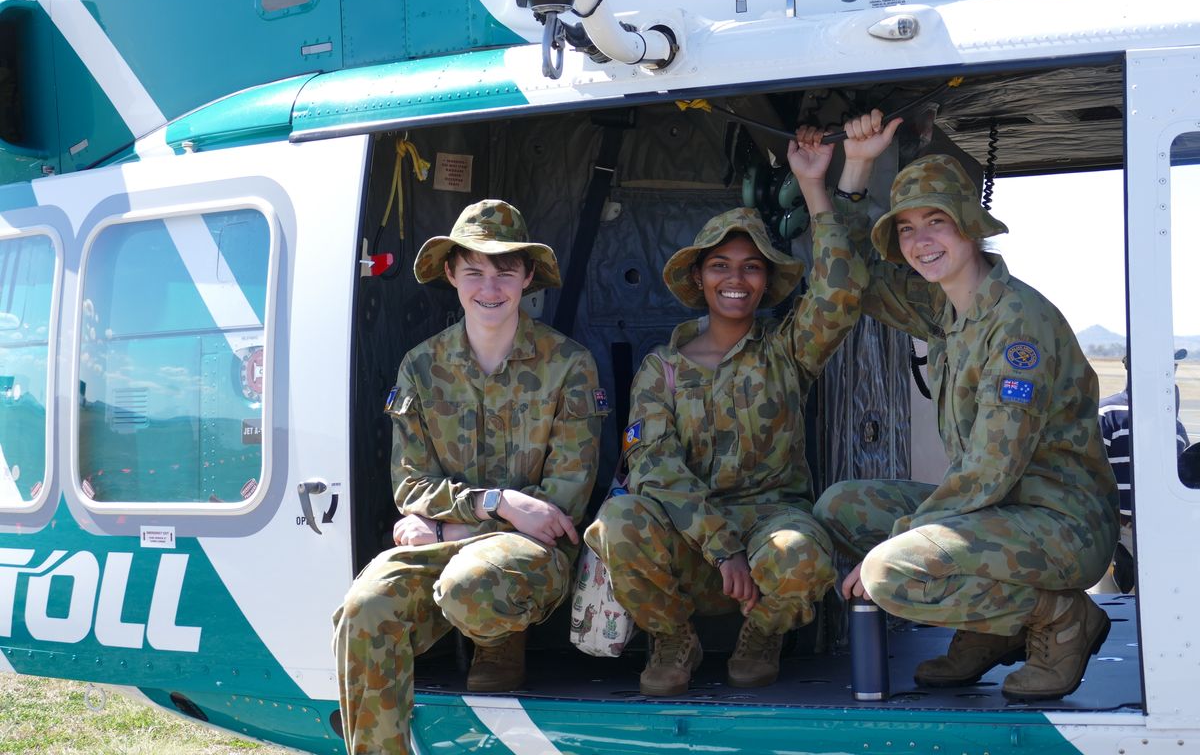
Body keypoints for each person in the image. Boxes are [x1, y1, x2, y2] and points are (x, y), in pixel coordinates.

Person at [812, 111, 1120, 701]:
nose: (920, 241)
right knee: (842, 508)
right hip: (996, 515)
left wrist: (901, 544)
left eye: (937, 222)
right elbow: (848, 276)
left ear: (970, 227)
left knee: (889, 571)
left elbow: (989, 469)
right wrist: (854, 170)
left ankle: (1061, 617)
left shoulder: (1017, 324)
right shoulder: (945, 309)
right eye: (906, 228)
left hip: (1061, 526)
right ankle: (991, 626)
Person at [583, 132, 868, 696]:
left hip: (770, 538)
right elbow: (654, 468)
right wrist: (722, 546)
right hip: (691, 545)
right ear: (698, 278)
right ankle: (672, 638)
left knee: (802, 553)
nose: (735, 280)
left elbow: (839, 292)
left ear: (766, 281)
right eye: (720, 265)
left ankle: (763, 632)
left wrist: (813, 186)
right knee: (620, 519)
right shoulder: (661, 369)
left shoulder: (787, 350)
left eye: (751, 267)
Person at [332, 199, 606, 755]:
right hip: (450, 543)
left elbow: (560, 508)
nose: (490, 287)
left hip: (532, 555)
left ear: (527, 277)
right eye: (474, 271)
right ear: (452, 275)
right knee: (364, 609)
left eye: (505, 270)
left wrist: (443, 529)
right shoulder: (421, 366)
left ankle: (500, 638)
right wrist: (497, 503)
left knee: (470, 583)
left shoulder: (569, 365)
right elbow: (410, 486)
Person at [1095, 348, 1190, 592]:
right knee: (1108, 603)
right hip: (1113, 533)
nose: (1170, 373)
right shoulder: (1106, 414)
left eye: (1173, 368)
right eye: (1165, 367)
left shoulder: (1173, 422)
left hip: (1158, 534)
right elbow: (1089, 475)